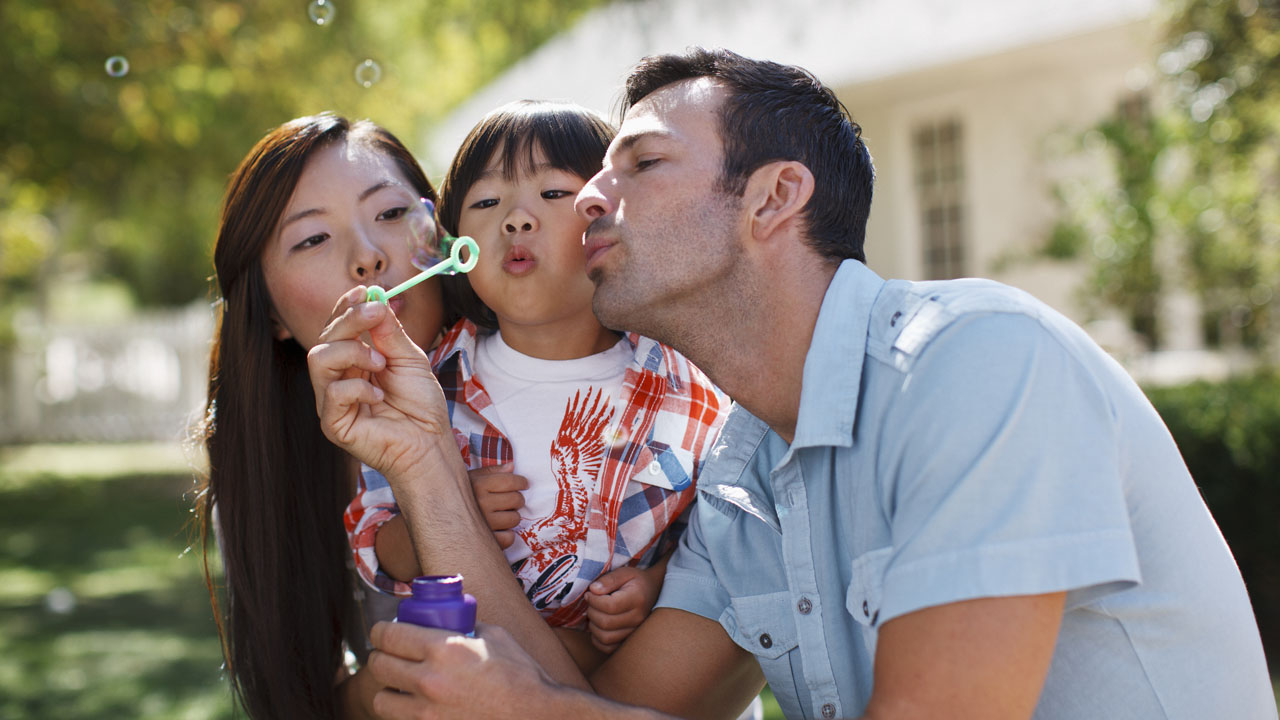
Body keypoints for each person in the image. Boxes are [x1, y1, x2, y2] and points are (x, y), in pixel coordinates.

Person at [307, 48, 1278, 720]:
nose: (588, 198)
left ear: (772, 198)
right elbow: (593, 707)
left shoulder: (977, 365)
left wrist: (524, 713)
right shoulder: (741, 474)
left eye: (637, 162)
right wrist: (423, 453)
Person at [343, 100, 727, 666]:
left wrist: (655, 590)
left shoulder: (683, 384)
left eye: (552, 194)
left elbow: (718, 533)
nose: (516, 219)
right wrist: (448, 511)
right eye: (487, 201)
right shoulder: (424, 383)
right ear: (451, 247)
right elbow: (375, 539)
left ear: (610, 217)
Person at [193, 112, 454, 719]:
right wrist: (392, 684)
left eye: (390, 214)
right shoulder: (266, 470)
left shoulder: (567, 379)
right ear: (274, 316)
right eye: (313, 239)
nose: (367, 259)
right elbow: (301, 698)